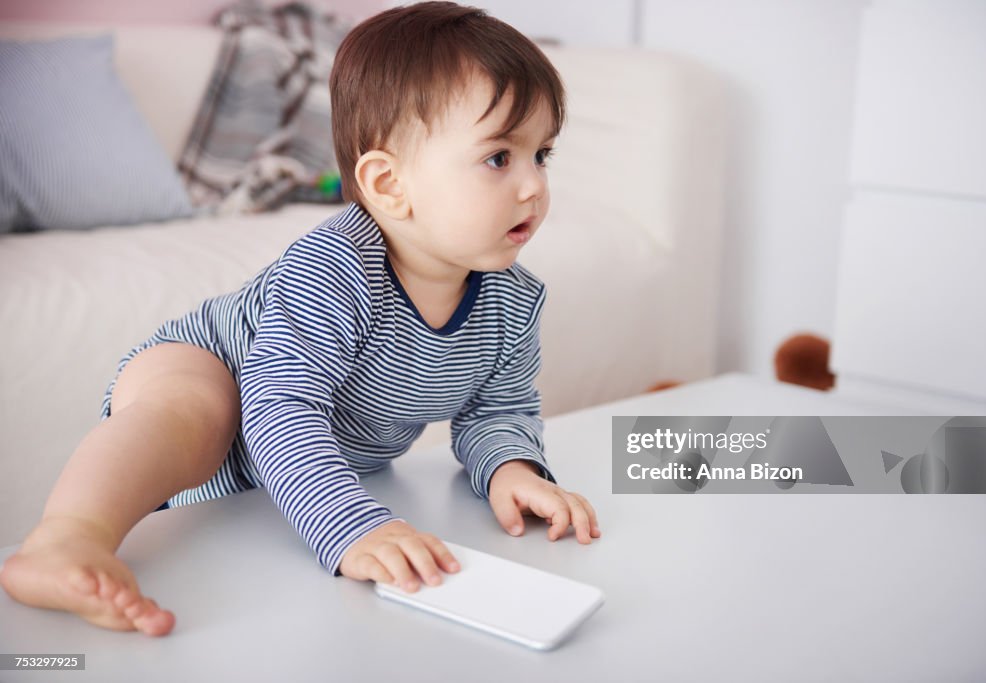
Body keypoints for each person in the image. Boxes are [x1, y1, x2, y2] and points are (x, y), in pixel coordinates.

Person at [0, 1, 600, 637]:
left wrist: (514, 470)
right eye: (500, 158)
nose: (534, 186)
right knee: (195, 412)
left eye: (543, 156)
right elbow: (277, 406)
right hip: (221, 368)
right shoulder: (337, 268)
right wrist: (351, 526)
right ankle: (64, 540)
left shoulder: (511, 301)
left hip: (290, 463)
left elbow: (496, 411)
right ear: (389, 185)